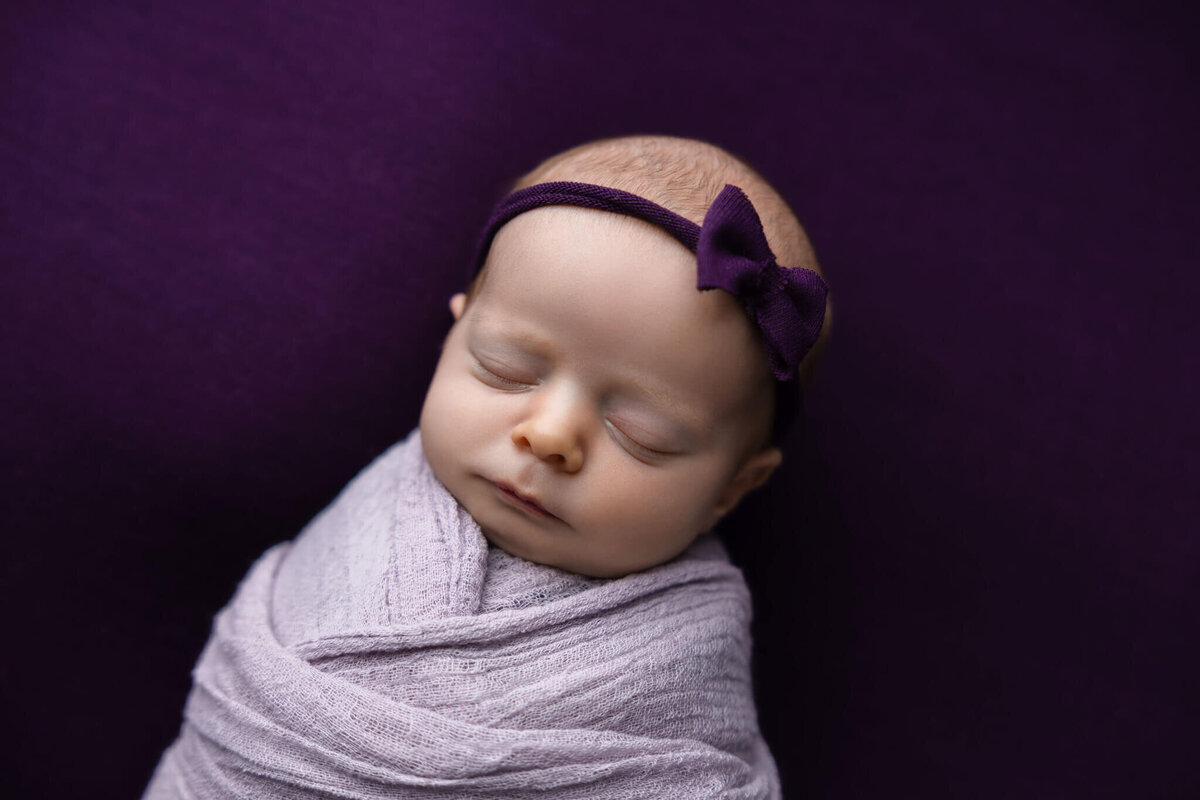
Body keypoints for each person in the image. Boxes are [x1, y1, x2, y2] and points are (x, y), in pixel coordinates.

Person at [143, 135, 831, 799]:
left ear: (732, 489)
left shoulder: (683, 652)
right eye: (507, 370)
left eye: (641, 433)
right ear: (454, 334)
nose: (550, 435)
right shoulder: (382, 519)